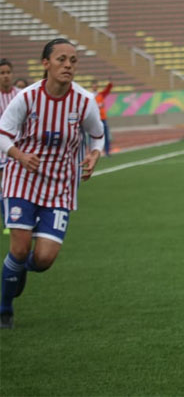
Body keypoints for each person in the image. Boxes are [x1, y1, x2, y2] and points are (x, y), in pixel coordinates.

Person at [0, 39, 105, 329]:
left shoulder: (84, 101)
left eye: (73, 60)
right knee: (19, 248)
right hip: (21, 178)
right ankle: (4, 309)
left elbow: (97, 135)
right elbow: (2, 135)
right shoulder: (27, 97)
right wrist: (19, 156)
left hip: (59, 186)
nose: (68, 65)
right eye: (61, 59)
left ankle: (18, 269)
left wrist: (94, 154)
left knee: (44, 259)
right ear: (45, 64)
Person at [0, 59, 16, 236]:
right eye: (1, 73)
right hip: (1, 149)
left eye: (7, 72)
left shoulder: (20, 95)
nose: (5, 76)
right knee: (4, 187)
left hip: (18, 150)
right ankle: (8, 220)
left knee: (14, 186)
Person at [91, 79, 113, 156]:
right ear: (92, 86)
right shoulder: (90, 96)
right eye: (93, 85)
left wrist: (110, 84)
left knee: (106, 135)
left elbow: (107, 90)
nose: (95, 87)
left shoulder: (101, 94)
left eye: (96, 85)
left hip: (103, 118)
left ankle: (107, 151)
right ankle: (94, 152)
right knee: (93, 136)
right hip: (95, 119)